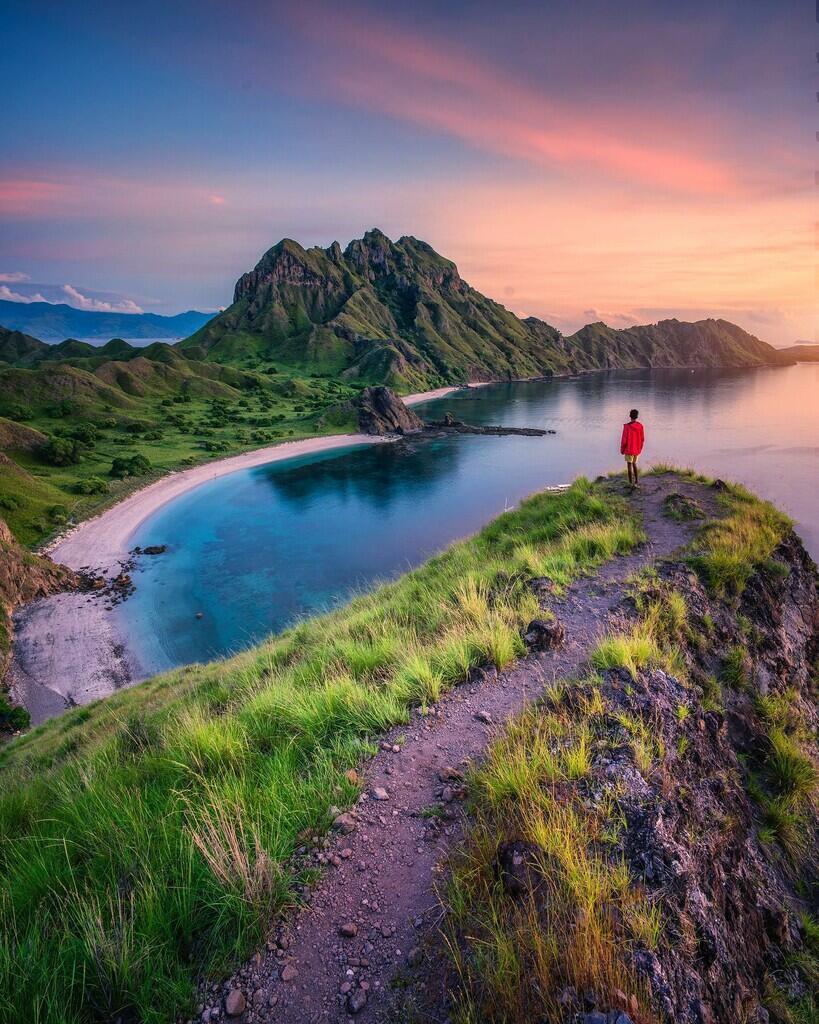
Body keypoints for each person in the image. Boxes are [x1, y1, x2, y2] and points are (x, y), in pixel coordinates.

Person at [620, 408, 645, 489]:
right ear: (637, 416)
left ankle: (631, 483)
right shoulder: (640, 426)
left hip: (629, 449)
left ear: (630, 416)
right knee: (634, 464)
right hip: (636, 450)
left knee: (629, 466)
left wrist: (622, 449)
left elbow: (624, 440)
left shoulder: (627, 427)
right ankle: (637, 481)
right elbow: (642, 439)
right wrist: (640, 448)